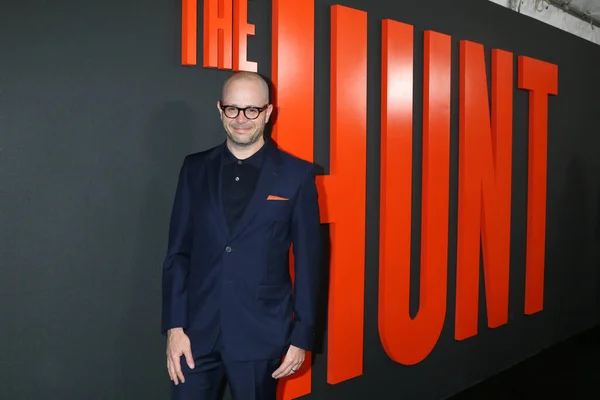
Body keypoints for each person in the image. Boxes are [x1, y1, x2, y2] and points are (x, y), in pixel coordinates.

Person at [161, 71, 322, 400]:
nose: (241, 119)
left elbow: (309, 263)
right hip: (195, 335)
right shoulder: (194, 168)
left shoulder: (297, 175)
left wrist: (302, 336)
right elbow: (178, 253)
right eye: (233, 109)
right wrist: (174, 327)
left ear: (268, 111)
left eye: (252, 110)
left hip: (260, 334)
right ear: (220, 109)